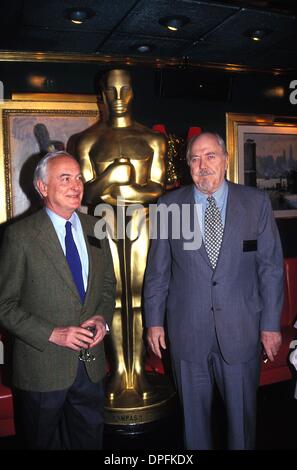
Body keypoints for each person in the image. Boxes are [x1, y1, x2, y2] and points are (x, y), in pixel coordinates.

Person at [144, 132, 284, 450]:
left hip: (241, 330)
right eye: (195, 158)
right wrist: (153, 320)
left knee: (242, 427)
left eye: (210, 156)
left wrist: (271, 325)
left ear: (224, 159)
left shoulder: (255, 203)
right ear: (188, 165)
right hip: (186, 332)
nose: (202, 165)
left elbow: (271, 269)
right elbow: (158, 270)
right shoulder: (169, 205)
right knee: (193, 428)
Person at [0, 151, 116, 449]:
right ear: (42, 187)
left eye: (78, 177)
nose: (76, 185)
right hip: (42, 370)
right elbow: (4, 306)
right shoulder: (20, 236)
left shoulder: (96, 228)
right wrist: (54, 333)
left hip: (91, 368)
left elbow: (107, 286)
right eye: (65, 178)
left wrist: (102, 320)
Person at [76, 69, 166, 401]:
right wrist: (114, 174)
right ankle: (119, 373)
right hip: (103, 222)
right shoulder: (86, 141)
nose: (117, 98)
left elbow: (157, 188)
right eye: (110, 91)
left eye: (123, 90)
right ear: (101, 94)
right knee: (110, 296)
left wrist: (121, 188)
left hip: (142, 223)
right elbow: (86, 193)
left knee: (140, 295)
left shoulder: (152, 139)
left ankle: (139, 371)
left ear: (132, 93)